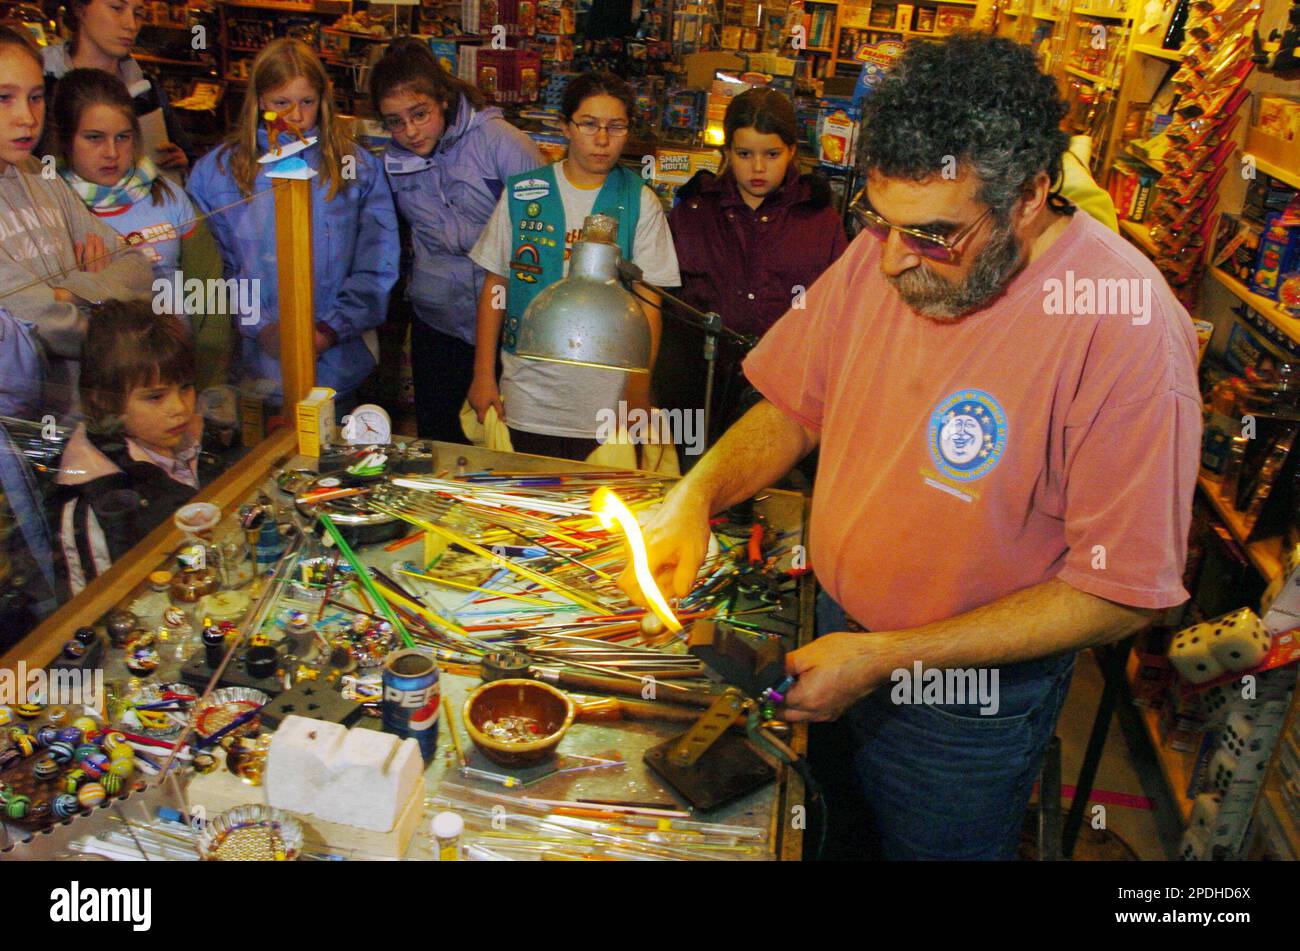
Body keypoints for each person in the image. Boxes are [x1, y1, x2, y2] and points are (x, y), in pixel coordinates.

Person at [620, 34, 1202, 860]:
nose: (892, 260)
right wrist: (696, 493)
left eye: (930, 235)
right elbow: (793, 405)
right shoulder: (884, 254)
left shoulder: (1127, 331)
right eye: (878, 221)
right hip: (833, 634)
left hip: (960, 705)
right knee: (824, 834)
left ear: (1031, 195)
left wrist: (890, 656)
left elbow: (1126, 590)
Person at [467, 71, 680, 461]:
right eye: (588, 124)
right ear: (565, 126)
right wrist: (483, 375)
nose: (602, 139)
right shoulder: (523, 193)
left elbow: (650, 301)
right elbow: (496, 286)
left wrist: (638, 385)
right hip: (528, 391)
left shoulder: (639, 201)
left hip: (606, 396)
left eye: (615, 127)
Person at [188, 38, 399, 414]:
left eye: (307, 102)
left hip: (337, 367)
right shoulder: (217, 173)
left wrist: (329, 329)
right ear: (258, 102)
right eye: (281, 103)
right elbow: (213, 272)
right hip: (253, 372)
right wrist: (261, 326)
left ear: (323, 100)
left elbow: (376, 265)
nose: (296, 117)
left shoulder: (357, 168)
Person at [370, 38, 542, 444]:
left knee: (504, 447)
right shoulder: (391, 162)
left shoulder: (503, 143)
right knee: (440, 444)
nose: (409, 131)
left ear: (442, 99)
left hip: (508, 327)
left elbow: (544, 235)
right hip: (438, 325)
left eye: (419, 114)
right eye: (395, 121)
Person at [662, 86, 848, 448]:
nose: (758, 167)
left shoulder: (821, 220)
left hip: (786, 398)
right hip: (697, 392)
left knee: (778, 497)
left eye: (772, 154)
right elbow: (668, 304)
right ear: (726, 151)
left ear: (793, 151)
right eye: (744, 154)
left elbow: (839, 314)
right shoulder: (693, 211)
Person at [0, 26, 153, 413]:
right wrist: (106, 309)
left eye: (35, 98)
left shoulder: (40, 175)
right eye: (4, 98)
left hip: (85, 416)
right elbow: (40, 322)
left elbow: (137, 268)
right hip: (22, 431)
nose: (26, 117)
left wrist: (72, 291)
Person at [54, 300, 215, 595]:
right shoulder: (94, 500)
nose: (180, 408)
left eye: (185, 387)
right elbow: (93, 609)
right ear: (104, 399)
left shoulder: (199, 438)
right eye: (155, 397)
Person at [50, 68, 197, 281]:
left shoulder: (167, 194)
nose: (112, 153)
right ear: (65, 139)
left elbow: (209, 287)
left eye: (122, 137)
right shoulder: (50, 207)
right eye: (94, 138)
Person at [41, 0, 193, 176]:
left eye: (138, 14)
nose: (131, 25)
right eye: (117, 8)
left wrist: (182, 163)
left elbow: (186, 155)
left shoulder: (147, 92)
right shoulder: (43, 87)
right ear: (80, 9)